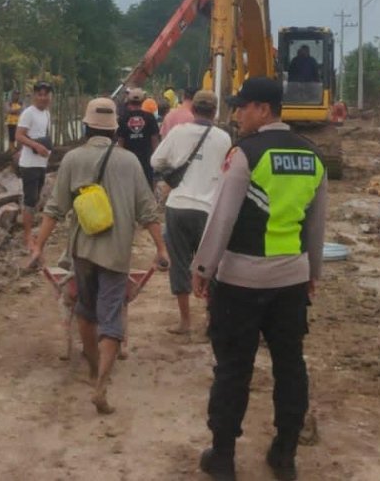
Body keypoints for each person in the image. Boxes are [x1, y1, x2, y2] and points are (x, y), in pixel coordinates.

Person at [191, 77, 328, 481]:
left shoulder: (246, 154)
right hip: (291, 280)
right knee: (290, 365)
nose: (237, 114)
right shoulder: (312, 156)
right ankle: (284, 454)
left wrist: (203, 269)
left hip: (241, 282)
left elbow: (223, 217)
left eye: (243, 107)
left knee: (234, 367)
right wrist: (313, 273)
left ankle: (223, 457)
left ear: (263, 110)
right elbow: (316, 226)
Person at [29, 97, 171, 415]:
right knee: (111, 315)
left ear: (86, 126)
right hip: (117, 251)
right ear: (114, 129)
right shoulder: (130, 162)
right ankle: (101, 384)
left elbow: (54, 209)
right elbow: (147, 211)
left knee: (85, 310)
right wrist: (161, 249)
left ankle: (92, 368)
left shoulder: (72, 160)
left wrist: (38, 245)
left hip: (82, 250)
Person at [150, 90, 231, 335]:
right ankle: (211, 321)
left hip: (179, 207)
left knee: (180, 264)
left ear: (193, 110)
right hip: (209, 210)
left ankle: (185, 322)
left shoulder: (178, 132)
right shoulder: (223, 138)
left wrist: (174, 170)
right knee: (211, 266)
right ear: (215, 112)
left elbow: (155, 161)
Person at [15, 81, 53, 251]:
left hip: (41, 162)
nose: (43, 98)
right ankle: (27, 236)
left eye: (46, 94)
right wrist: (36, 146)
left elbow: (43, 135)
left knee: (36, 198)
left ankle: (31, 230)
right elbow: (19, 136)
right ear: (34, 95)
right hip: (29, 164)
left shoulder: (46, 114)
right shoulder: (28, 114)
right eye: (40, 94)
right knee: (30, 200)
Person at [117, 88, 160, 187]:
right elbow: (155, 140)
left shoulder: (123, 118)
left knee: (129, 187)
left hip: (128, 160)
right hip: (146, 160)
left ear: (128, 100)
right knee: (147, 188)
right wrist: (155, 159)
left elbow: (120, 142)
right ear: (143, 101)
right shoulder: (150, 117)